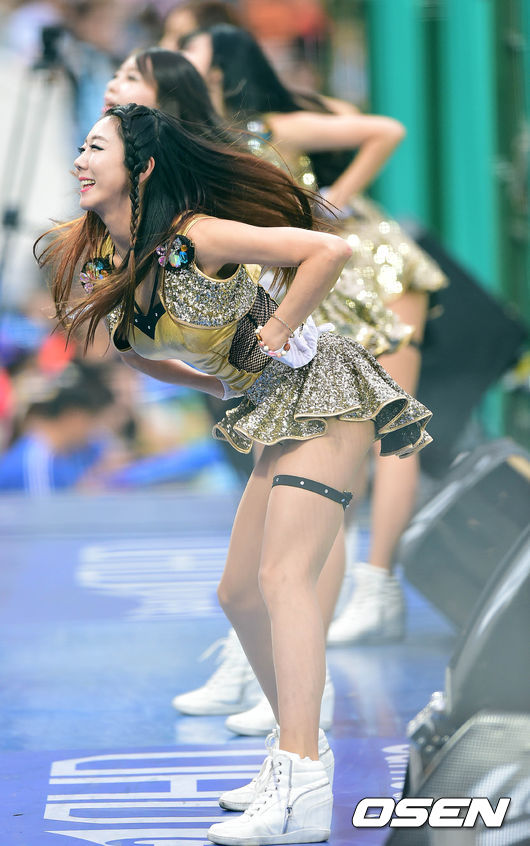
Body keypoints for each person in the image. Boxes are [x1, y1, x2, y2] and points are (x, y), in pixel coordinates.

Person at [36, 103, 431, 844]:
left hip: (323, 389)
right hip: (272, 404)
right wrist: (218, 384)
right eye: (81, 148)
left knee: (282, 577)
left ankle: (301, 775)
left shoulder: (196, 235)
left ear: (143, 168)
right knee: (238, 592)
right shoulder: (114, 259)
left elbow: (328, 251)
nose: (79, 162)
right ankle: (299, 744)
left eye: (95, 148)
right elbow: (135, 352)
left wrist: (276, 331)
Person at [99, 43, 415, 735]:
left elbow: (358, 181)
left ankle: (319, 679)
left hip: (313, 335)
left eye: (130, 76)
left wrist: (280, 322)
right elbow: (136, 342)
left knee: (292, 557)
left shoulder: (226, 173)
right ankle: (273, 677)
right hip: (257, 372)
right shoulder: (131, 225)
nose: (113, 84)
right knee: (252, 579)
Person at [182, 23, 447, 651]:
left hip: (370, 266)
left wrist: (333, 198)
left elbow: (383, 129)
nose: (180, 53)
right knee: (327, 431)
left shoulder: (271, 125)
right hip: (312, 282)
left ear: (220, 69)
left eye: (190, 47)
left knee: (390, 426)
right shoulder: (211, 138)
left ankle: (378, 586)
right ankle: (326, 590)